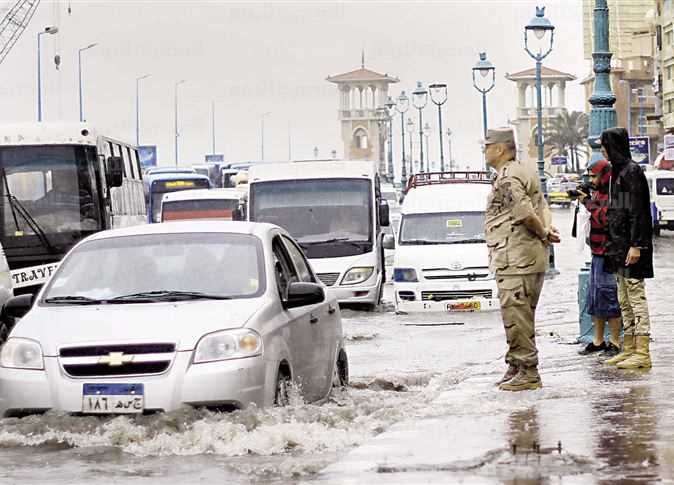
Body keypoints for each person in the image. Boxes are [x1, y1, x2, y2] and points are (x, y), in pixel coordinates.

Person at [484, 127, 561, 391]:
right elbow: (542, 206)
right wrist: (547, 230)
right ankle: (516, 364)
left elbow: (526, 213)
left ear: (500, 149)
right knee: (521, 314)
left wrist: (542, 232)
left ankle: (528, 371)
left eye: (486, 146)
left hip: (515, 257)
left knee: (517, 315)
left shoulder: (507, 177)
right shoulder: (525, 169)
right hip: (525, 256)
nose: (484, 151)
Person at [600, 127, 654, 369]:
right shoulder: (616, 173)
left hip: (632, 248)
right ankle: (629, 347)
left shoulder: (632, 172)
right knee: (624, 299)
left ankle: (642, 352)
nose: (602, 150)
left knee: (636, 297)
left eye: (605, 145)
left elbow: (638, 212)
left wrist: (637, 245)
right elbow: (619, 208)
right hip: (618, 247)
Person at [577, 159, 622, 356]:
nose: (592, 180)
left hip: (609, 253)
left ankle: (614, 341)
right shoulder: (597, 194)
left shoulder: (613, 194)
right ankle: (598, 340)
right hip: (596, 252)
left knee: (610, 296)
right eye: (590, 176)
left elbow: (606, 219)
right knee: (595, 298)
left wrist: (588, 203)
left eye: (595, 176)